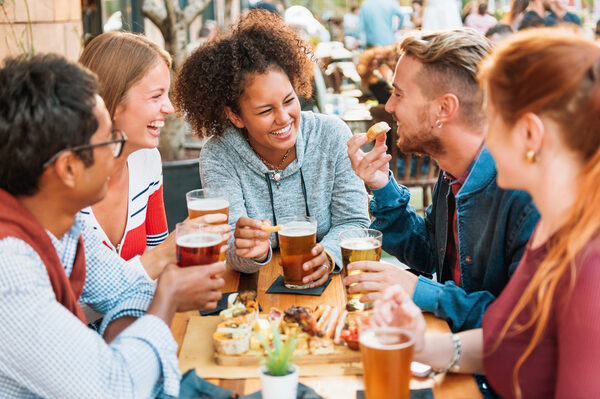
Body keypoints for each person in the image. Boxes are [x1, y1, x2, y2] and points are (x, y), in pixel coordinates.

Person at [375, 28, 600, 398]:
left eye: (492, 117)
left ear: (530, 135)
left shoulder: (586, 265)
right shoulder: (555, 230)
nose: (482, 138)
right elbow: (511, 337)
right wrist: (422, 344)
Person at [0, 54, 226, 397]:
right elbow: (116, 387)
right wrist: (165, 299)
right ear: (68, 169)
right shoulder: (10, 272)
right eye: (110, 141)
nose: (118, 153)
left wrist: (151, 303)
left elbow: (123, 286)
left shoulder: (63, 225)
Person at [346, 29, 539, 332]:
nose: (391, 107)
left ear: (444, 109)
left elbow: (521, 325)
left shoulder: (527, 194)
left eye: (398, 93)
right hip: (446, 351)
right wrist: (382, 186)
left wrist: (417, 290)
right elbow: (430, 254)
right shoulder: (452, 169)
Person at [174, 10, 370, 286]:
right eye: (266, 110)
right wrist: (252, 251)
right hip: (252, 295)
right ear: (236, 116)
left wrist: (328, 256)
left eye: (289, 100)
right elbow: (229, 245)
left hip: (330, 286)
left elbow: (355, 221)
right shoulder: (219, 154)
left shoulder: (331, 135)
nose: (284, 118)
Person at [79, 32, 210, 280]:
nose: (170, 108)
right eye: (156, 96)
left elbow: (156, 271)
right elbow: (74, 300)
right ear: (114, 102)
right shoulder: (64, 179)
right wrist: (161, 256)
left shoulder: (146, 159)